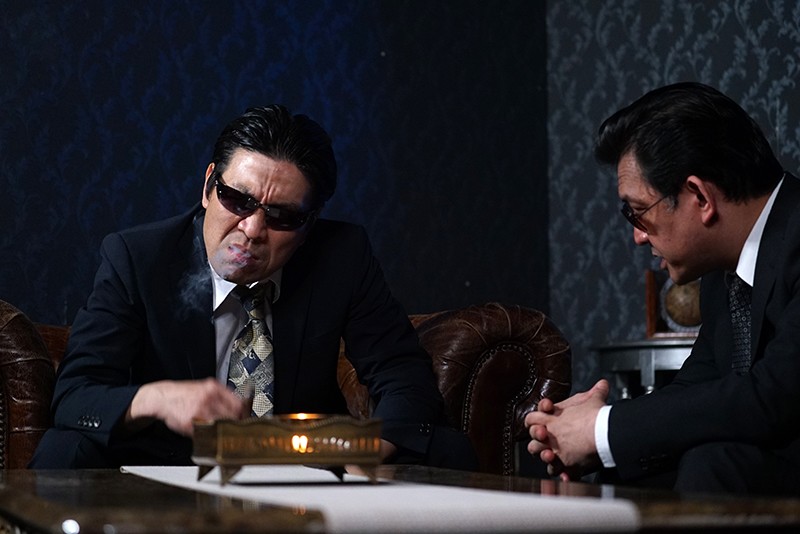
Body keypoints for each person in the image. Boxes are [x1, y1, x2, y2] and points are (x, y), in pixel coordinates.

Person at [31, 104, 476, 470]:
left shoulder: (342, 257)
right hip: (166, 465)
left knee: (446, 448)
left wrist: (367, 451)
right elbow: (74, 395)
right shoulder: (138, 258)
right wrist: (158, 398)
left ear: (308, 224)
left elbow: (404, 376)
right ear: (209, 186)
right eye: (237, 200)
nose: (252, 229)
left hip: (304, 464)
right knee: (63, 449)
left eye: (282, 216)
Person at [526, 82, 800, 495]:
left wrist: (602, 429)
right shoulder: (722, 269)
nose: (637, 236)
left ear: (699, 197)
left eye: (639, 212)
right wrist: (592, 434)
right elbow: (697, 388)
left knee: (713, 463)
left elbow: (774, 396)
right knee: (629, 469)